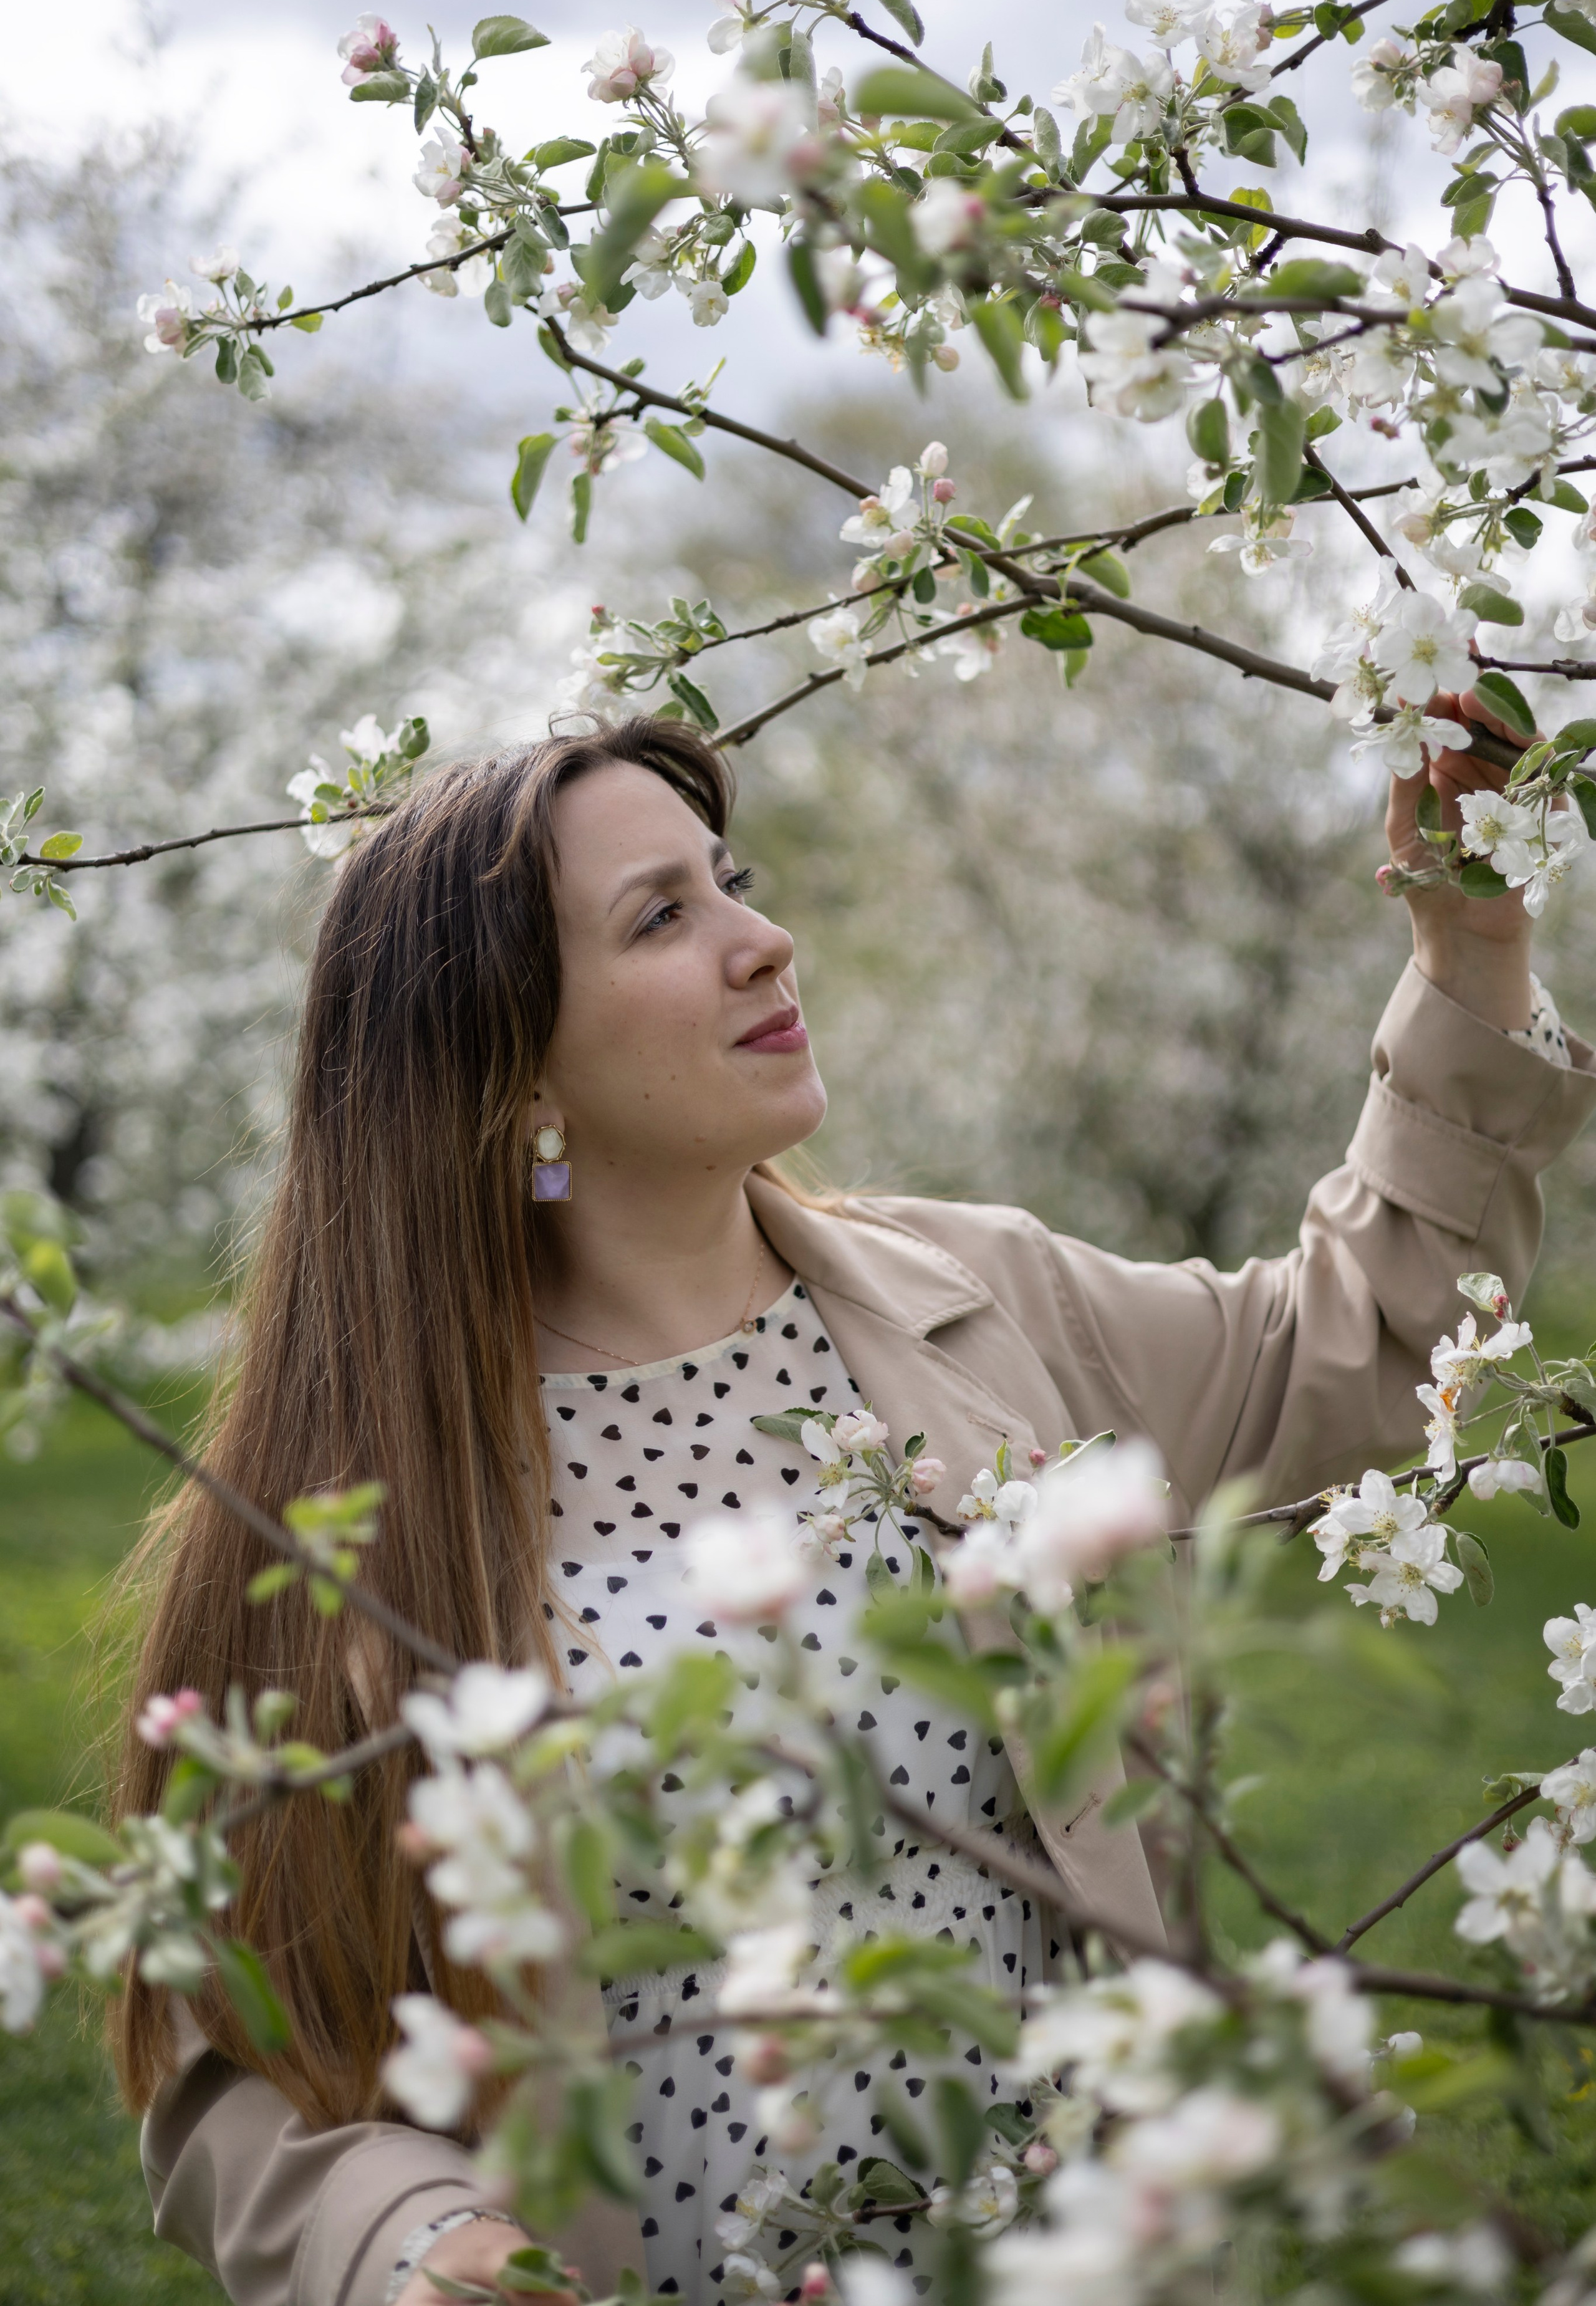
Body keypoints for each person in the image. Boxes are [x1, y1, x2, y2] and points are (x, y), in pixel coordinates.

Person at [112, 704, 1592, 2306]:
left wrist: (1467, 959)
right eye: (662, 917)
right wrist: (423, 2244)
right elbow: (238, 2058)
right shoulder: (352, 1510)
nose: (765, 941)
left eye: (728, 880)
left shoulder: (971, 1305)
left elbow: (1360, 1342)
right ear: (505, 1052)